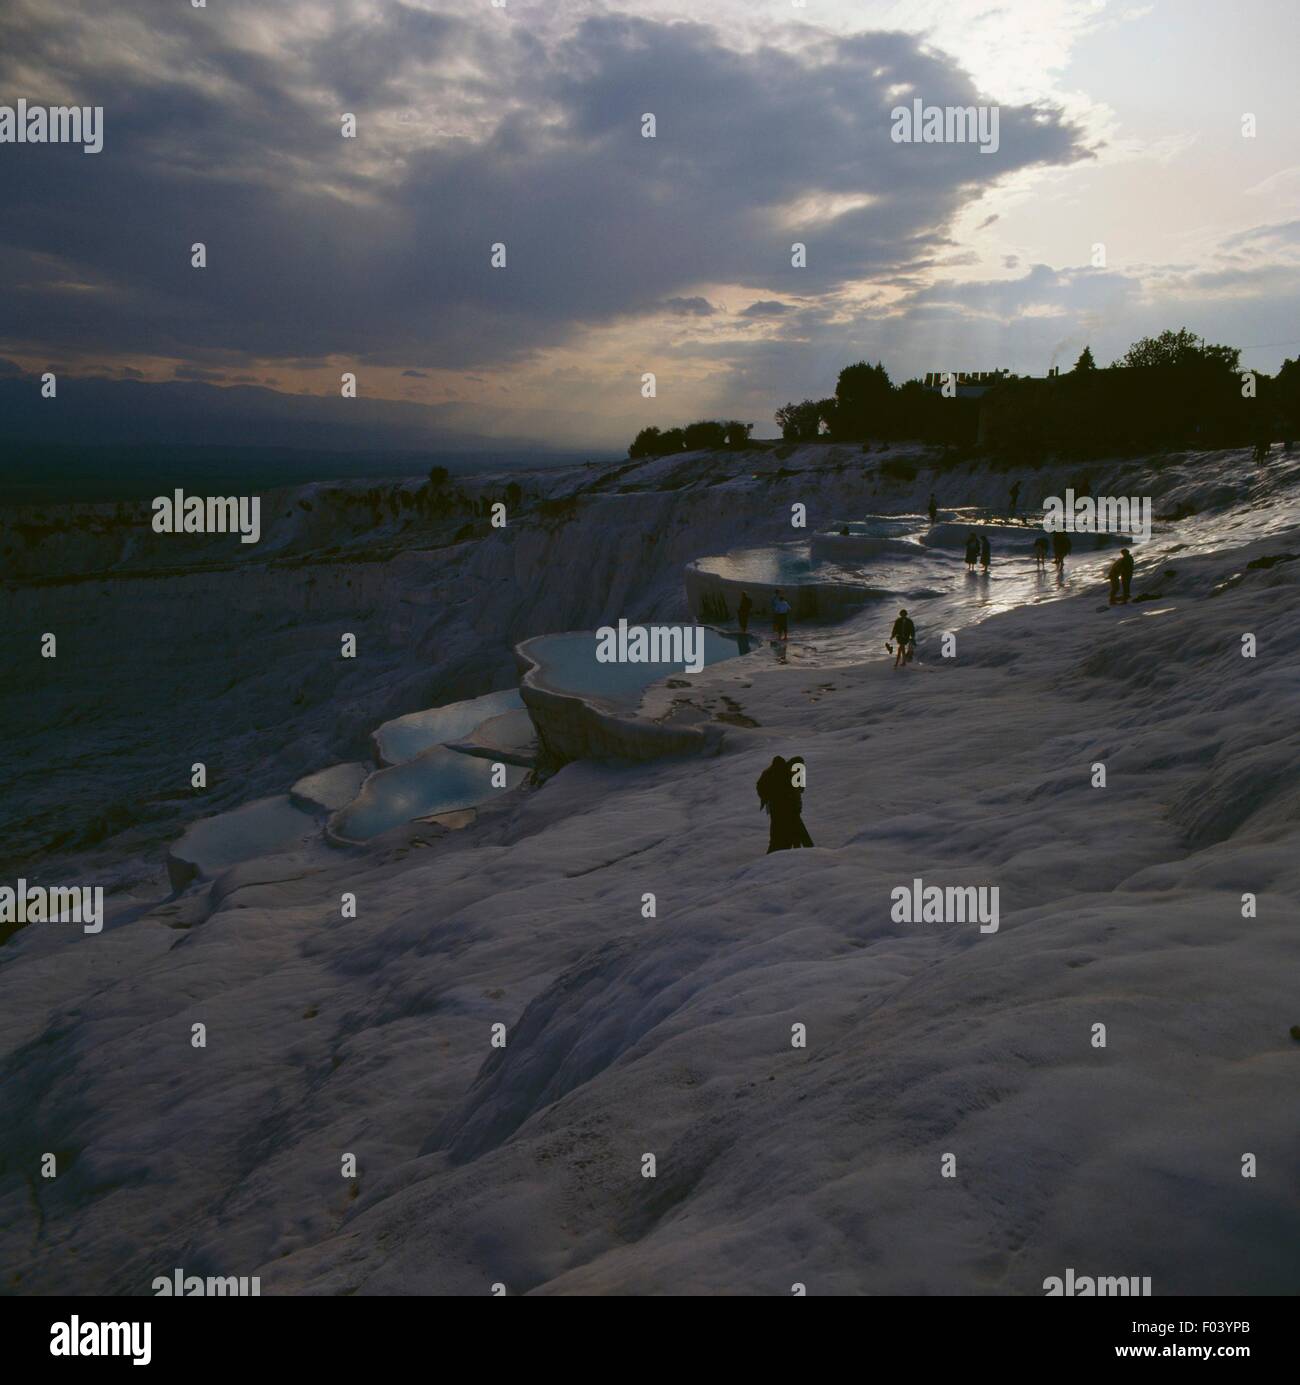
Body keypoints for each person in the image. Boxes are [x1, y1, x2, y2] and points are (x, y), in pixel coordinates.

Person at [757, 755, 804, 853]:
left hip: (775, 808)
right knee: (792, 834)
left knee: (777, 835)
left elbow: (760, 787)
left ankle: (778, 853)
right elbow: (799, 790)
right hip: (789, 808)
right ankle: (793, 853)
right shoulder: (790, 772)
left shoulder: (768, 773)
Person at [785, 756, 814, 847]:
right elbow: (801, 789)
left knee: (795, 827)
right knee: (798, 827)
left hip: (788, 806)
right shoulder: (796, 770)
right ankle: (808, 847)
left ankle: (799, 847)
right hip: (792, 806)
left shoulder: (785, 771)